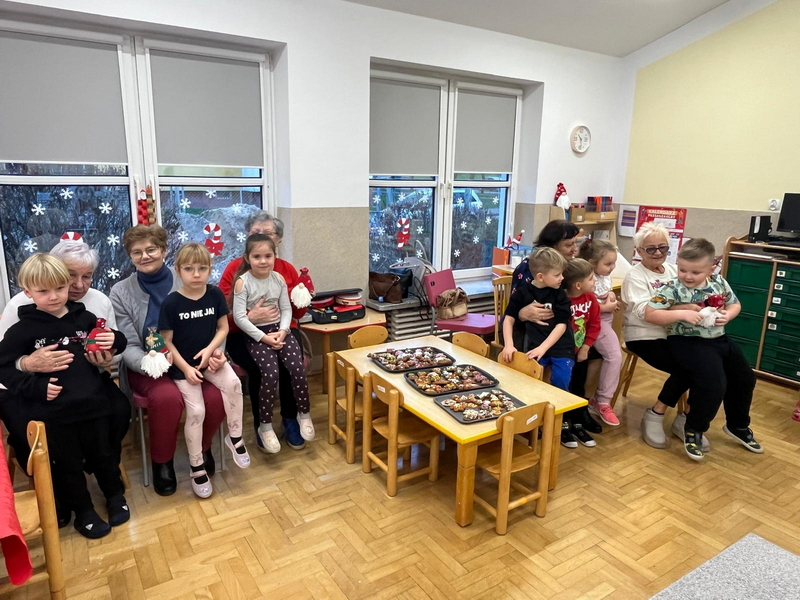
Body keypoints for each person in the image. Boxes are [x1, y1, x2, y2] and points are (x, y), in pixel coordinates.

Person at [0, 238, 131, 522]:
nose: (56, 295)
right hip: (53, 406)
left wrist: (111, 346)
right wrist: (31, 375)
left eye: (86, 276)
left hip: (92, 400)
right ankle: (76, 505)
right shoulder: (22, 324)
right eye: (71, 277)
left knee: (105, 445)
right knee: (65, 458)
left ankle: (113, 493)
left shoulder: (86, 315)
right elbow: (5, 365)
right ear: (28, 292)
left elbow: (115, 340)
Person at [110, 225, 225, 496]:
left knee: (216, 396)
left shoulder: (188, 274)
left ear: (163, 250)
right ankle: (162, 462)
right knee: (166, 398)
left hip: (194, 360)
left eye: (151, 249)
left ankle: (202, 448)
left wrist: (216, 353)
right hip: (150, 365)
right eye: (137, 252)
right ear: (130, 256)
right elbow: (128, 344)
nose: (145, 256)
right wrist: (152, 363)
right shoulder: (120, 292)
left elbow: (216, 324)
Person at [644, 239, 762, 461]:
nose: (687, 276)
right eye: (682, 270)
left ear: (711, 269)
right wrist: (682, 313)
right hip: (687, 342)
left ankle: (737, 425)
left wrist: (728, 315)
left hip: (718, 339)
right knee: (713, 383)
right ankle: (694, 429)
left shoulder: (718, 282)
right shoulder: (672, 288)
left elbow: (734, 304)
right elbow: (650, 314)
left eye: (695, 272)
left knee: (745, 378)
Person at [159, 244, 251, 498]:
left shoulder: (214, 294)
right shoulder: (171, 303)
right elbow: (166, 341)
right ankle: (196, 465)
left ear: (210, 269)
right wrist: (186, 368)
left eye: (202, 268)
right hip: (183, 367)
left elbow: (223, 328)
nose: (196, 274)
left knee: (234, 384)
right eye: (189, 269)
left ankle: (235, 436)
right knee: (197, 411)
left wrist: (211, 351)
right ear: (178, 270)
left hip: (212, 361)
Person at [219, 212, 309, 449]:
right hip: (241, 333)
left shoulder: (286, 270)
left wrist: (303, 296)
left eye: (268, 233)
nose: (262, 238)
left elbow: (296, 314)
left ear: (277, 240)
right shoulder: (234, 271)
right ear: (247, 240)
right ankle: (263, 425)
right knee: (261, 368)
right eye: (255, 233)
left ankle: (290, 418)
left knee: (290, 365)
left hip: (282, 329)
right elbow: (221, 316)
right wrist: (249, 317)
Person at [622, 222, 704, 450]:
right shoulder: (635, 276)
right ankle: (656, 413)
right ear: (639, 251)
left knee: (707, 363)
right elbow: (645, 313)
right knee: (687, 367)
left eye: (663, 247)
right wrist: (682, 309)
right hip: (643, 335)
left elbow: (688, 295)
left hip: (675, 333)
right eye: (650, 249)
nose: (658, 253)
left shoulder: (672, 270)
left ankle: (687, 418)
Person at [500, 247, 574, 388]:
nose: (562, 278)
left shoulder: (559, 294)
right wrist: (509, 345)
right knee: (529, 382)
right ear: (540, 277)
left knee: (561, 380)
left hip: (561, 348)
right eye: (557, 275)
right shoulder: (522, 293)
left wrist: (543, 348)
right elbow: (508, 319)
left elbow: (562, 325)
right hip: (534, 347)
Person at [578, 239, 622, 426]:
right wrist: (606, 307)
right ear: (591, 263)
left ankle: (599, 399)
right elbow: (586, 306)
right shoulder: (587, 279)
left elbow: (604, 293)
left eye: (614, 263)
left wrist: (610, 296)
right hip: (597, 323)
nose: (612, 267)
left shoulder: (603, 276)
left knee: (612, 356)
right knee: (614, 356)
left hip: (605, 322)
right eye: (608, 264)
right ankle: (603, 401)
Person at [563, 259, 601, 448]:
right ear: (578, 285)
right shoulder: (561, 300)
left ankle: (577, 422)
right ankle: (563, 424)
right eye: (591, 278)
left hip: (581, 352)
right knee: (564, 387)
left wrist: (585, 348)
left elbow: (594, 324)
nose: (595, 281)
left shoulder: (591, 299)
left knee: (578, 385)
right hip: (563, 353)